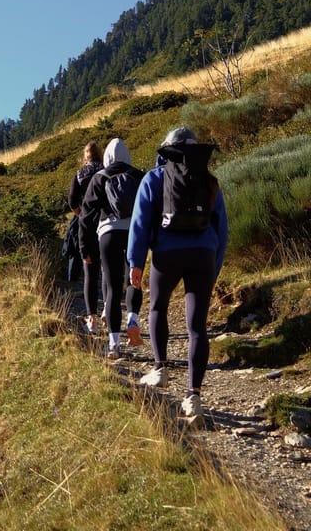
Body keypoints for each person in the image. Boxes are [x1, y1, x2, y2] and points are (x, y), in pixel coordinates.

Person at [127, 127, 228, 420]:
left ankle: (160, 368)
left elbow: (140, 222)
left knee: (157, 306)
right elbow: (222, 229)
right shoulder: (209, 181)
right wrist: (214, 266)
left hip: (166, 255)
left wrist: (136, 262)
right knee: (197, 326)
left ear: (167, 150)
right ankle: (193, 396)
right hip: (203, 256)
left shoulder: (154, 178)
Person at [79, 137, 144, 357]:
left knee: (113, 286)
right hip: (134, 233)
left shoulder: (99, 177)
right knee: (134, 279)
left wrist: (85, 248)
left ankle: (114, 344)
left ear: (106, 157)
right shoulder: (139, 176)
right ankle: (133, 319)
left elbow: (86, 218)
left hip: (107, 233)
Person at [68, 141, 103, 332]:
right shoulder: (106, 170)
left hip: (87, 226)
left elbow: (72, 200)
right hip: (106, 223)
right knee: (107, 270)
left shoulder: (80, 174)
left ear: (85, 156)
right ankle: (108, 309)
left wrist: (82, 214)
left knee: (90, 271)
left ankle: (92, 318)